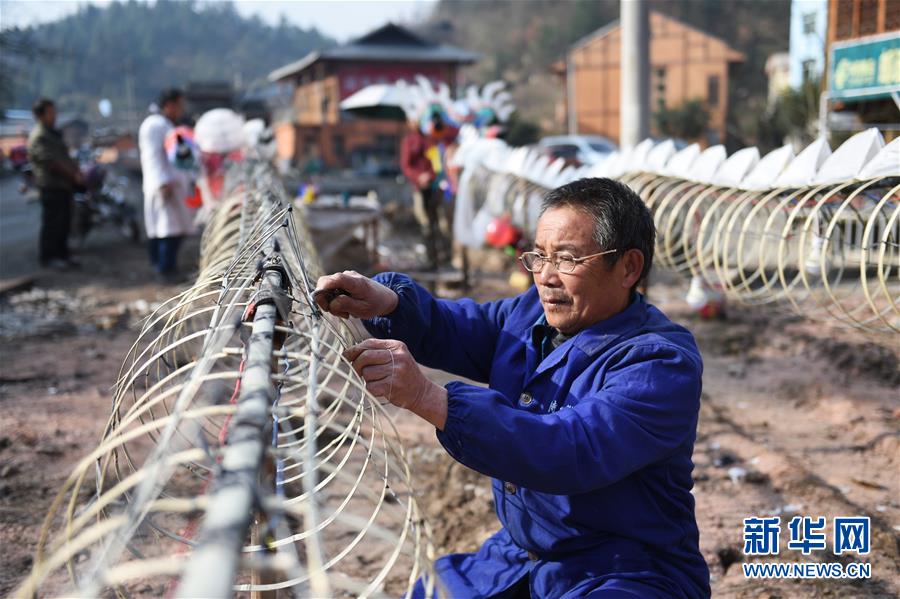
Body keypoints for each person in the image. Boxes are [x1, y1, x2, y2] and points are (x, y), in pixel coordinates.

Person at [315, 178, 710, 598]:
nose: (546, 276)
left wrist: (429, 397)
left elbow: (570, 449)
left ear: (629, 267)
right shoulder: (529, 315)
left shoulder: (658, 363)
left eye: (568, 259)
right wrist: (388, 303)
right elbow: (460, 328)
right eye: (539, 256)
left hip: (624, 570)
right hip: (520, 557)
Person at [139, 88, 194, 283]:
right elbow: (152, 157)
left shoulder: (165, 124)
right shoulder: (155, 125)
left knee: (167, 227)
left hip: (171, 183)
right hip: (164, 184)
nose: (182, 109)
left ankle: (165, 267)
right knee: (166, 229)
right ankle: (165, 269)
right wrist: (162, 182)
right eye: (179, 105)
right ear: (169, 105)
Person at [27, 98, 83, 270]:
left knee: (64, 222)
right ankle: (49, 257)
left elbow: (65, 157)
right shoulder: (39, 135)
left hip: (63, 185)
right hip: (51, 185)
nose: (55, 115)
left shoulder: (52, 133)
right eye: (50, 112)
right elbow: (52, 162)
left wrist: (76, 172)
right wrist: (73, 174)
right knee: (53, 223)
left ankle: (62, 254)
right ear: (40, 115)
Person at [399, 108, 457, 270]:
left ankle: (446, 260)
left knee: (443, 223)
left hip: (436, 187)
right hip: (419, 188)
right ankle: (431, 260)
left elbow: (439, 163)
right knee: (426, 224)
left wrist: (431, 176)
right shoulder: (409, 141)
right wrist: (419, 178)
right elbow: (406, 165)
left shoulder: (434, 140)